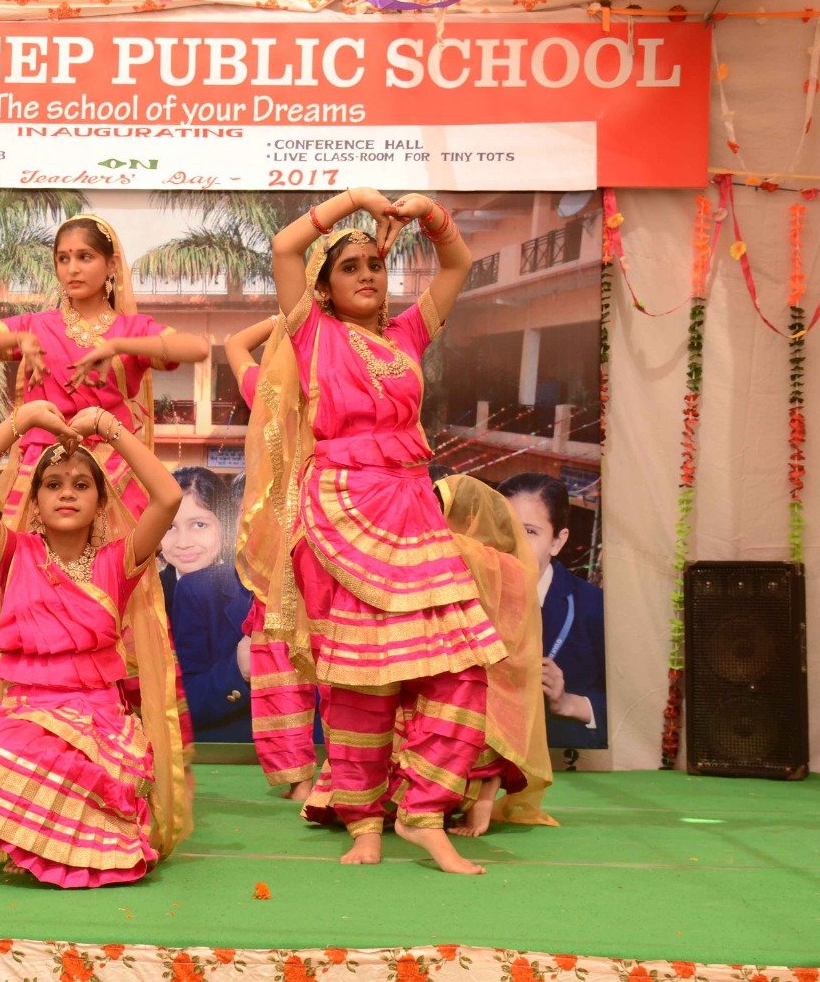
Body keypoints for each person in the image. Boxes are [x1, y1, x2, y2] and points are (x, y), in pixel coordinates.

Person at [241, 187, 503, 875]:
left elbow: (457, 264)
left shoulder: (406, 336)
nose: (365, 276)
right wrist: (355, 199)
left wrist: (429, 216)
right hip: (344, 512)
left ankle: (423, 812)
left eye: (375, 266)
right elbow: (285, 247)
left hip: (413, 506)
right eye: (349, 267)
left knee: (460, 667)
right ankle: (363, 821)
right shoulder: (312, 333)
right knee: (360, 679)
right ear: (323, 288)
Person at [0, 213, 209, 747]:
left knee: (122, 608)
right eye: (63, 259)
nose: (72, 268)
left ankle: (123, 738)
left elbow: (197, 350)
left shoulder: (131, 329)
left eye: (85, 257)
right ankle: (32, 729)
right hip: (42, 482)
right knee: (32, 596)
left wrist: (121, 348)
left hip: (113, 482)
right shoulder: (37, 326)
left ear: (111, 266)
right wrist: (20, 336)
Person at [0, 399, 189, 887]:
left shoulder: (118, 562)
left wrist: (109, 427)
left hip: (96, 716)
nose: (67, 495)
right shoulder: (14, 554)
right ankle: (41, 842)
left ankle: (63, 844)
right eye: (53, 485)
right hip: (27, 712)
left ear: (101, 501)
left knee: (93, 773)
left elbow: (167, 498)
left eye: (81, 485)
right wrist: (22, 422)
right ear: (34, 503)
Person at [430, 474, 556, 837]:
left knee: (469, 739)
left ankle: (474, 806)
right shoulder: (513, 564)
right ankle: (474, 803)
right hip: (498, 670)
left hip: (476, 669)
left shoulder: (459, 551)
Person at [228, 317, 318, 799]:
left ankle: (299, 778)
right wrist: (299, 313)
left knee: (281, 658)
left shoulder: (268, 392)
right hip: (328, 543)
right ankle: (348, 779)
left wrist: (283, 317)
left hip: (285, 555)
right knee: (342, 661)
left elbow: (235, 342)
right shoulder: (334, 392)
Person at [497, 472, 607, 751]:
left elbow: (633, 709)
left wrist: (568, 702)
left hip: (563, 759)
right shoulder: (467, 599)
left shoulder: (593, 606)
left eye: (529, 531)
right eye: (504, 527)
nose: (513, 543)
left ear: (557, 541)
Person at [165, 468, 254, 743]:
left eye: (199, 525)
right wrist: (238, 668)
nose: (183, 543)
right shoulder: (144, 596)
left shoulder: (247, 587)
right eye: (169, 527)